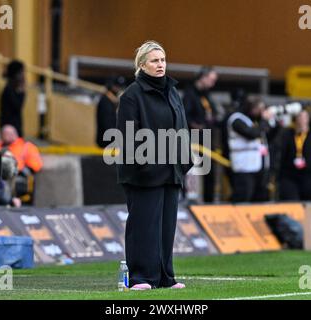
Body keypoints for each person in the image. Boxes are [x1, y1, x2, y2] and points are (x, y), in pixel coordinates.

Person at [116, 41, 192, 290]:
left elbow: (181, 127)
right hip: (144, 172)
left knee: (166, 228)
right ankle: (140, 277)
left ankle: (164, 278)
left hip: (171, 171)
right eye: (154, 61)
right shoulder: (131, 95)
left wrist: (183, 163)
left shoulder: (172, 92)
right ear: (142, 65)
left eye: (163, 60)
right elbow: (128, 136)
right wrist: (144, 165)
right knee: (143, 225)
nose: (160, 65)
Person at [226, 96, 277, 203]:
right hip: (243, 166)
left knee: (258, 195)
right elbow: (252, 134)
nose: (260, 112)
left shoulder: (252, 121)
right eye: (258, 109)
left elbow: (269, 137)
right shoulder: (236, 119)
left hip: (255, 166)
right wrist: (264, 120)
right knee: (243, 195)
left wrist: (273, 122)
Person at [277, 110, 311, 201]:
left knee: (309, 202)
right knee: (291, 200)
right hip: (290, 175)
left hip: (309, 176)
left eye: (304, 117)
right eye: (299, 117)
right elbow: (281, 155)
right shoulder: (287, 135)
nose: (301, 120)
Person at [183, 66, 218, 203]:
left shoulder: (207, 95)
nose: (212, 83)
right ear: (202, 77)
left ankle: (209, 202)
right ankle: (191, 201)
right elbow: (186, 116)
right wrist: (196, 125)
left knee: (210, 172)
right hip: (195, 139)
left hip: (207, 138)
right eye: (211, 79)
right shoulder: (190, 94)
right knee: (194, 171)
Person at [0, 125, 43, 198]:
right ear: (2, 135)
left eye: (11, 133)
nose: (9, 136)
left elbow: (36, 165)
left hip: (19, 178)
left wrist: (19, 170)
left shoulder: (26, 146)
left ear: (16, 134)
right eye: (6, 133)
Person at [96, 76, 126, 148]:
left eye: (120, 87)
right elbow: (107, 124)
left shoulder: (113, 101)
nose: (118, 89)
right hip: (106, 143)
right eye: (116, 87)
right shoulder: (106, 101)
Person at [0, 60, 26, 137]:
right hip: (9, 129)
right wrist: (21, 92)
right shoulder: (8, 90)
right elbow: (17, 106)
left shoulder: (14, 89)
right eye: (21, 72)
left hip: (16, 126)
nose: (23, 75)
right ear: (15, 74)